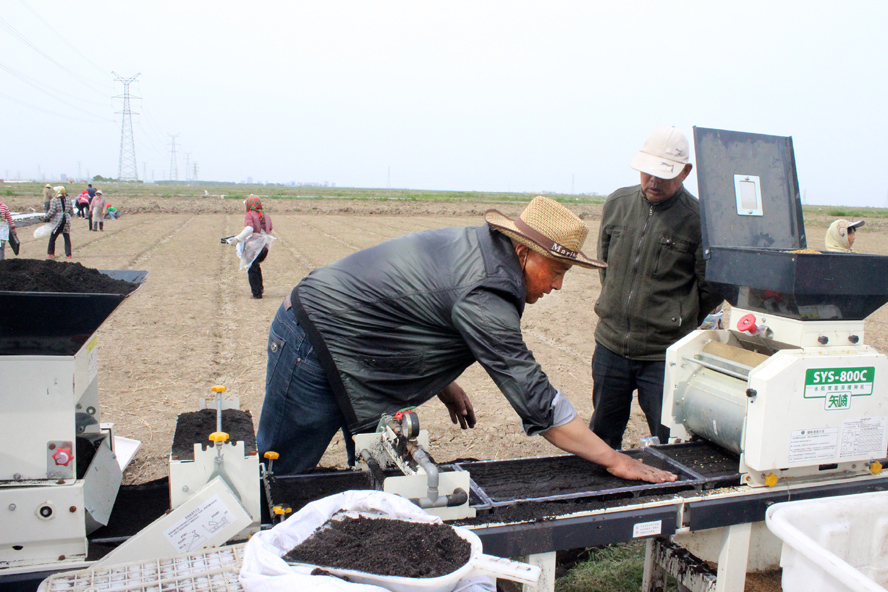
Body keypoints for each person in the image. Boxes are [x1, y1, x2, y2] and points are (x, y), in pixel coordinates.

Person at [257, 195, 678, 485]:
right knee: (281, 477)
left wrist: (445, 383)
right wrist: (614, 458)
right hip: (314, 338)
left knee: (371, 471)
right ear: (524, 252)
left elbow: (413, 307)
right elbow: (534, 396)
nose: (557, 285)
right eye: (556, 271)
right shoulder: (489, 290)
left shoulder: (483, 248)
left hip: (350, 341)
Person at [589, 126, 723, 450]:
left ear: (685, 172)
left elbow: (710, 287)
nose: (653, 181)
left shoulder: (698, 220)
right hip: (610, 347)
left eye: (665, 175)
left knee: (670, 441)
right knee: (602, 437)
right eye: (648, 171)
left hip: (664, 355)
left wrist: (677, 317)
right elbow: (606, 265)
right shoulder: (617, 203)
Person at [226, 195, 274, 299]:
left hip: (254, 246)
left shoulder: (250, 215)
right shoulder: (266, 215)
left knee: (252, 268)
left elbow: (249, 228)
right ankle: (260, 288)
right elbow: (270, 229)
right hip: (265, 246)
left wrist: (237, 239)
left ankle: (256, 293)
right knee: (256, 267)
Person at [45, 186, 74, 258]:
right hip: (66, 220)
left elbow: (52, 211)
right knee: (66, 237)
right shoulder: (68, 199)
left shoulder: (54, 200)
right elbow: (71, 211)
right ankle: (68, 254)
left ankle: (50, 253)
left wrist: (46, 217)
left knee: (53, 237)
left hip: (57, 221)